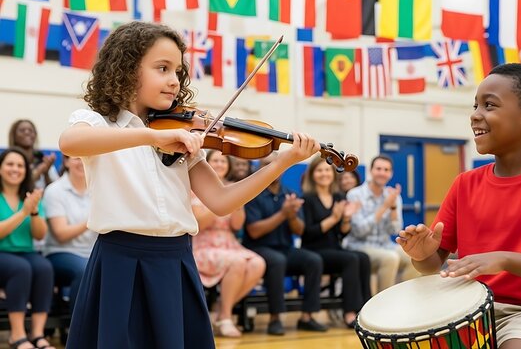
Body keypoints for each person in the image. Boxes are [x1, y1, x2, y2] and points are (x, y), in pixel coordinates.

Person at [58, 21, 320, 349]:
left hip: (175, 261)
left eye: (178, 72)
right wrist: (153, 136)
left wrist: (282, 163)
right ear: (126, 69)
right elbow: (71, 142)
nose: (173, 80)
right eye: (162, 68)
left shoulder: (183, 136)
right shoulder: (98, 123)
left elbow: (222, 201)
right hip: (119, 263)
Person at [397, 63, 521, 349]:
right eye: (475, 104)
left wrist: (503, 259)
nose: (475, 114)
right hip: (466, 310)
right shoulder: (464, 184)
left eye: (489, 105)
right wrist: (422, 254)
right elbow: (433, 264)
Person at [243, 154, 327, 336]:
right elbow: (254, 231)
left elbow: (299, 230)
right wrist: (283, 214)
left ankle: (307, 316)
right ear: (259, 168)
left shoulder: (291, 194)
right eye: (266, 164)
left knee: (313, 260)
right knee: (277, 261)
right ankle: (275, 318)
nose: (271, 168)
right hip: (258, 248)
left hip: (285, 247)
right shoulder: (251, 193)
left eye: (275, 165)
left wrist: (291, 216)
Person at [191, 150, 266, 338]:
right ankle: (225, 317)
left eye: (223, 161)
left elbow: (237, 226)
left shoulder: (234, 187)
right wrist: (220, 202)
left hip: (228, 241)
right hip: (203, 244)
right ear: (206, 162)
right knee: (238, 262)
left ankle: (220, 310)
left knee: (258, 263)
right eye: (215, 160)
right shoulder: (194, 187)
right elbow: (199, 224)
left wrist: (237, 203)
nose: (219, 164)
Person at [300, 156, 370, 328]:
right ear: (313, 174)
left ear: (333, 174)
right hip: (313, 250)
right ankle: (349, 313)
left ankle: (365, 309)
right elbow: (308, 232)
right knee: (351, 259)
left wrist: (345, 219)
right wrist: (334, 218)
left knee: (363, 257)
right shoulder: (308, 198)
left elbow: (341, 233)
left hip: (333, 248)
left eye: (327, 170)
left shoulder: (338, 196)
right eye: (319, 170)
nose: (324, 174)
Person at [0, 148, 55, 349]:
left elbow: (40, 235)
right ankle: (16, 335)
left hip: (26, 252)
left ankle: (37, 334)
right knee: (20, 268)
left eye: (20, 165)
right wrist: (23, 212)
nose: (15, 169)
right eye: (10, 164)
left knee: (44, 268)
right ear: (0, 168)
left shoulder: (31, 196)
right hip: (2, 253)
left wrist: (33, 213)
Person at [344, 155, 418, 293]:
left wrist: (393, 207)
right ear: (371, 171)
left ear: (390, 174)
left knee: (414, 255)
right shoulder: (355, 194)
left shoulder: (393, 196)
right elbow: (359, 231)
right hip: (359, 246)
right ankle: (381, 308)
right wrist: (384, 207)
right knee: (390, 258)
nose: (382, 173)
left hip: (385, 245)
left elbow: (394, 230)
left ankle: (409, 299)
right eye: (378, 169)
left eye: (386, 170)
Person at [42, 155, 96, 314]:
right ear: (66, 162)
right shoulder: (54, 191)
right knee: (87, 269)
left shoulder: (98, 188)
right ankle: (77, 331)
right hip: (60, 253)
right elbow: (61, 234)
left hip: (93, 252)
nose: (81, 162)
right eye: (76, 158)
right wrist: (94, 219)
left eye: (85, 157)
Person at [8, 119, 59, 189]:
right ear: (14, 135)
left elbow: (55, 191)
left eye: (31, 130)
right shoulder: (8, 161)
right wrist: (38, 172)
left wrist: (46, 173)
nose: (27, 132)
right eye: (22, 130)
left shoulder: (43, 160)